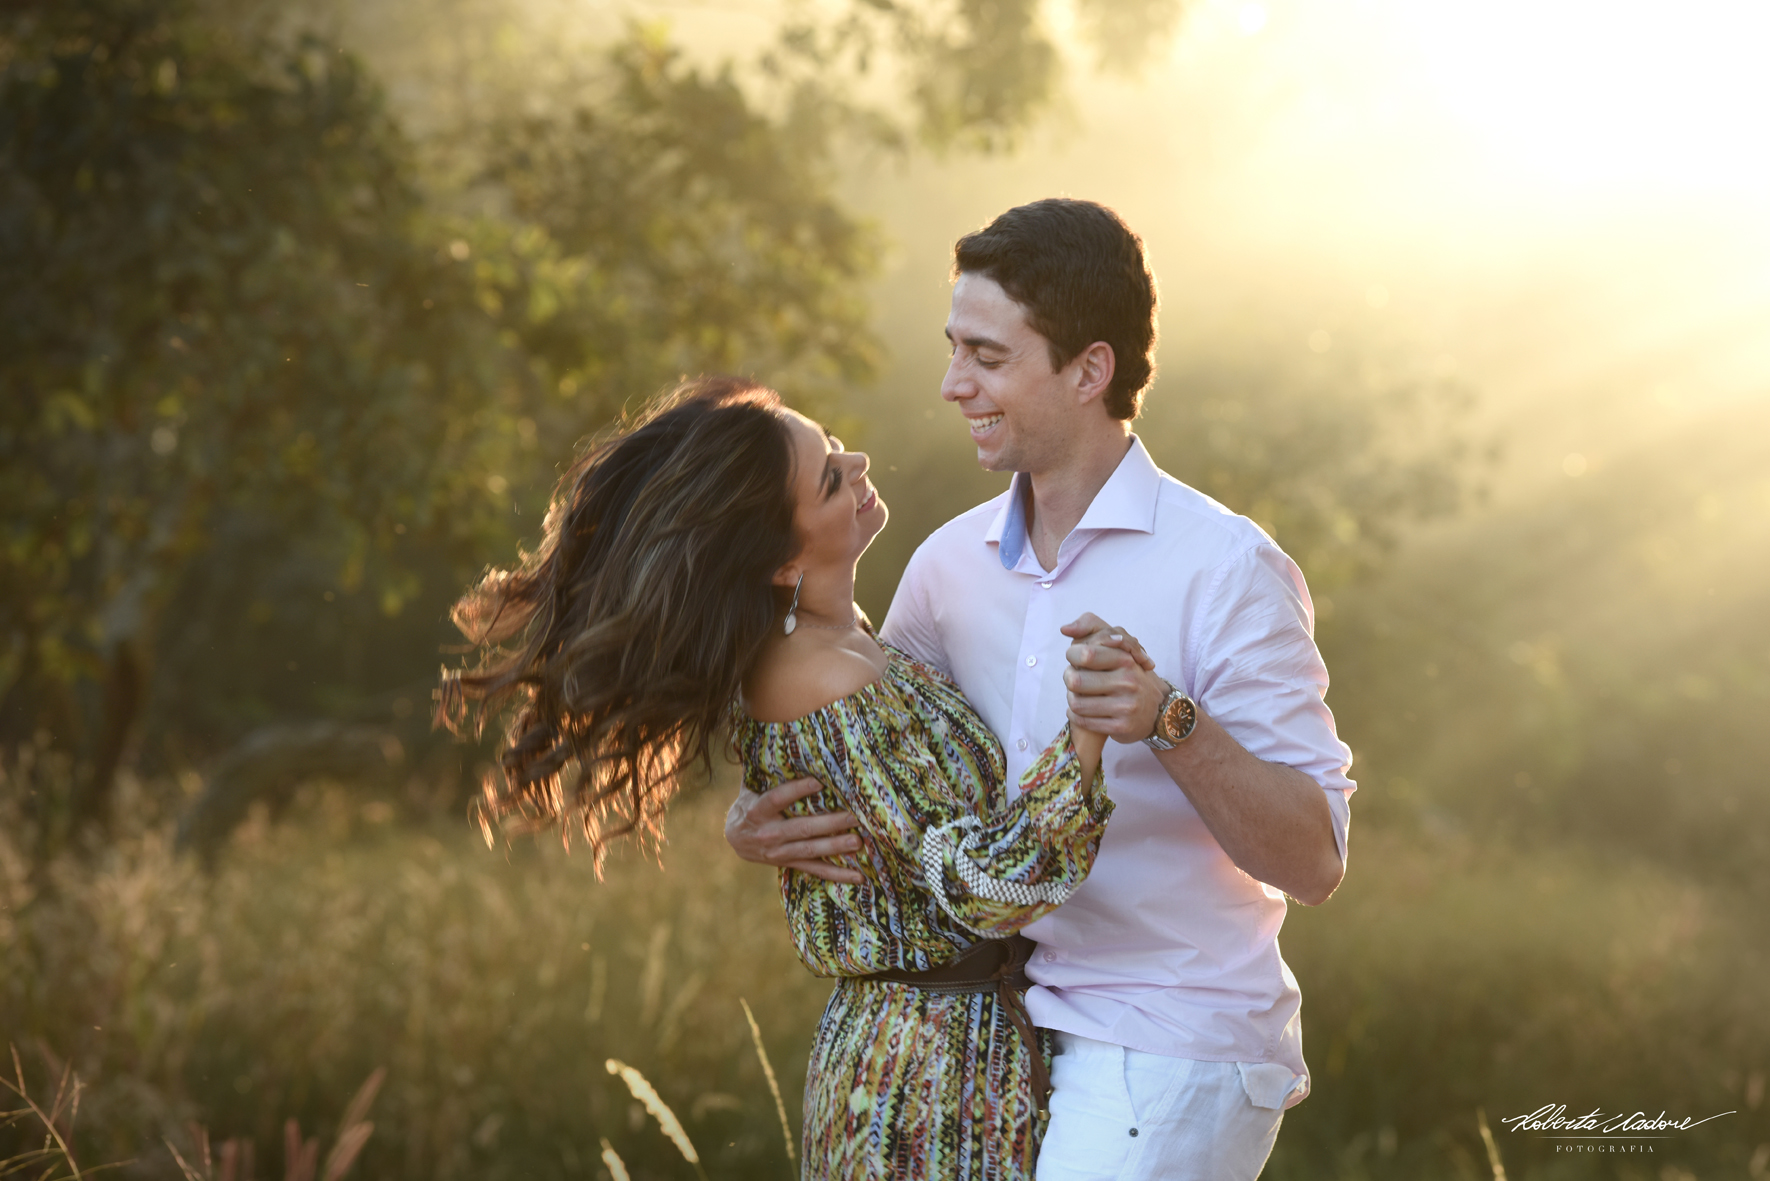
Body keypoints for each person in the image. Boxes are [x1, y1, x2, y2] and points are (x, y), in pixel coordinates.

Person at [726, 199, 1355, 1180]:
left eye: (987, 356)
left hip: (1168, 1035)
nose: (953, 384)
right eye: (953, 350)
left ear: (1089, 371)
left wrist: (1168, 720)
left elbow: (1314, 860)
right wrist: (755, 816)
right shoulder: (946, 567)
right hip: (1006, 1034)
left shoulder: (1228, 567)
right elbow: (886, 764)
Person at [435, 376, 1126, 1180]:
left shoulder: (845, 641)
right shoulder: (821, 677)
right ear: (782, 558)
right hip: (924, 1079)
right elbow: (981, 888)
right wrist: (1087, 736)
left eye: (833, 444)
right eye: (830, 476)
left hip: (952, 1045)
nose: (859, 461)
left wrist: (745, 815)